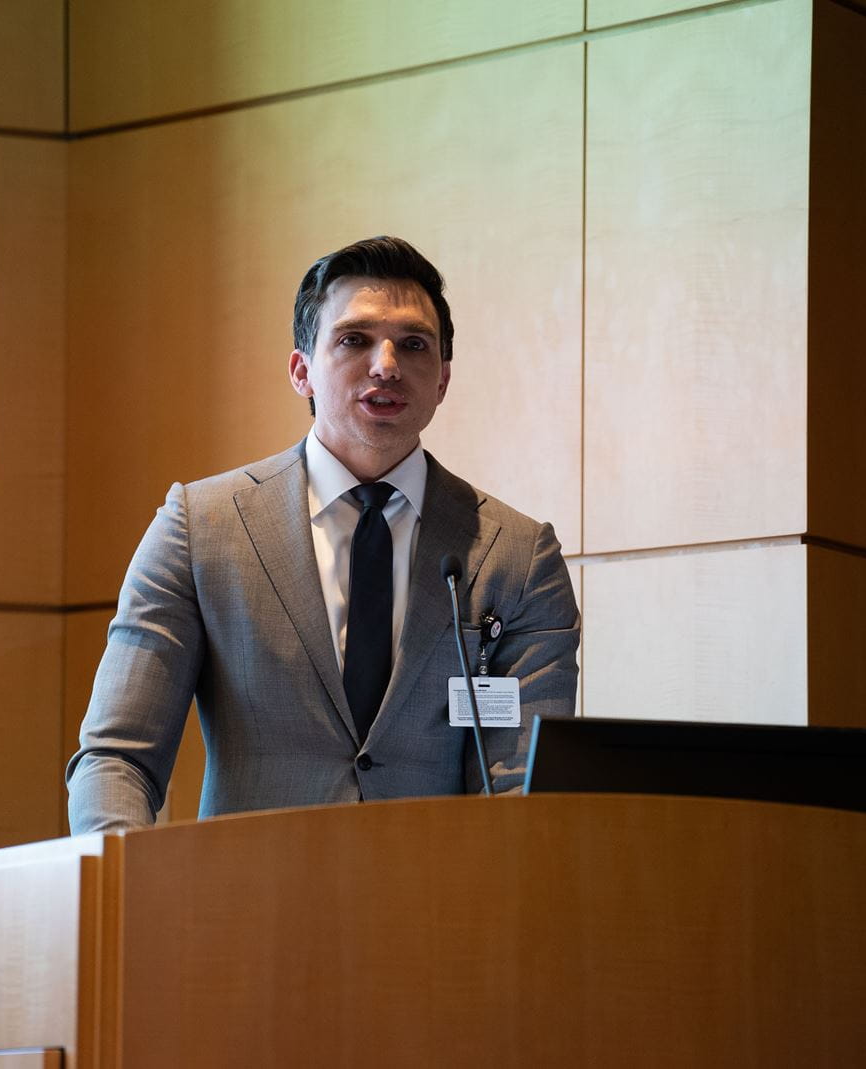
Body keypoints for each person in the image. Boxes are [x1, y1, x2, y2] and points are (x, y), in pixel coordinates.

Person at [66, 236, 580, 833]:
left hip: (436, 888)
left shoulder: (516, 556)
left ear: (442, 380)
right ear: (301, 370)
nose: (386, 365)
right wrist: (129, 878)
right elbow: (116, 758)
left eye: (413, 344)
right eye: (354, 340)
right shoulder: (201, 529)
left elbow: (522, 791)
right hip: (246, 888)